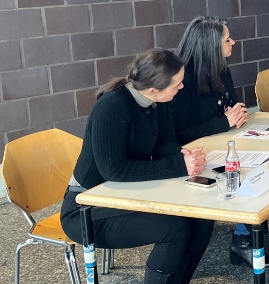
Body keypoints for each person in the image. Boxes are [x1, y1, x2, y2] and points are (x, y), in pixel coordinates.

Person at [171, 16, 269, 269]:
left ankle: (252, 238)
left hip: (226, 144)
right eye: (227, 40)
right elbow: (179, 134)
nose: (233, 43)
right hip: (195, 158)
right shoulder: (182, 80)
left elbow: (230, 106)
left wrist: (236, 113)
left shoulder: (220, 69)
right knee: (263, 170)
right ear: (209, 46)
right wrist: (225, 121)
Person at [61, 49, 214, 284]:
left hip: (125, 195)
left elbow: (165, 143)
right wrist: (178, 166)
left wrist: (183, 157)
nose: (182, 87)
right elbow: (114, 171)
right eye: (178, 84)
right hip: (87, 208)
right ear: (154, 89)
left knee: (201, 218)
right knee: (174, 228)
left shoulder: (157, 100)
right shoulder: (111, 107)